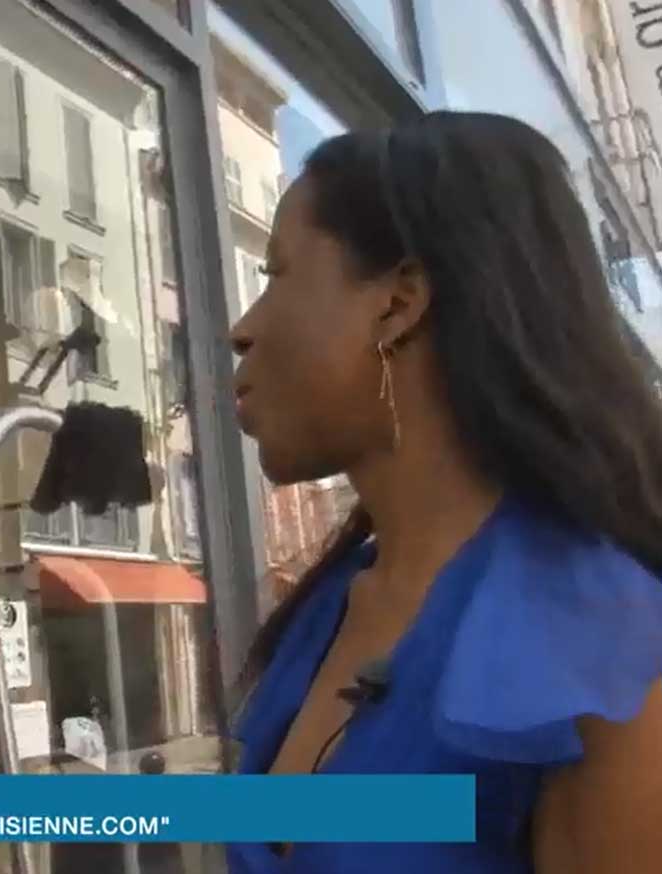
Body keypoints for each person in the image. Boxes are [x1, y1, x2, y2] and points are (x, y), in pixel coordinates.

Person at [226, 111, 662, 873]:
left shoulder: (604, 643)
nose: (241, 328)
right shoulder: (326, 609)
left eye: (276, 274)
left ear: (398, 304)